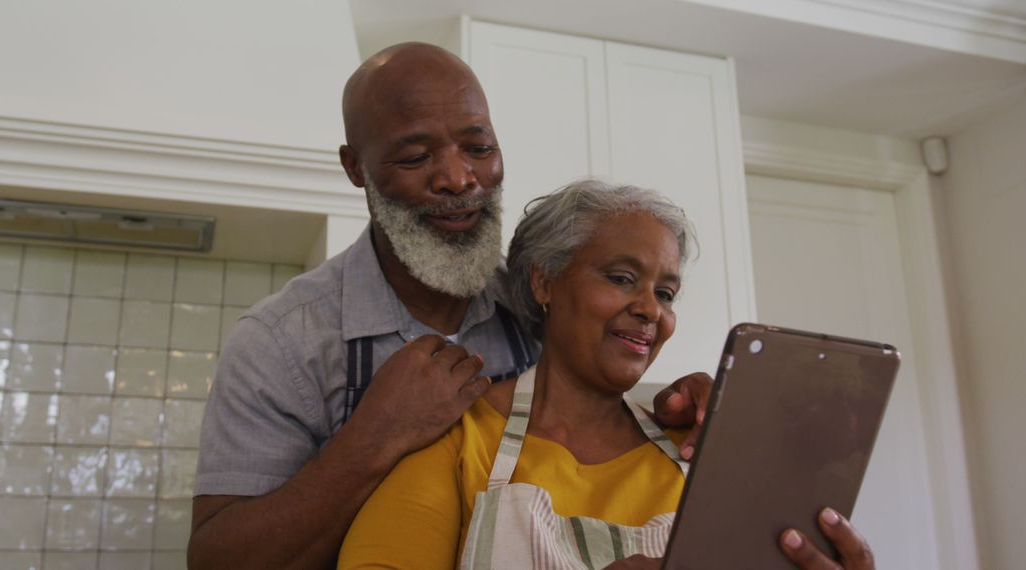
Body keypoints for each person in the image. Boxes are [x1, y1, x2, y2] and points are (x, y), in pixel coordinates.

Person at [187, 43, 711, 570]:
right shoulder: (281, 341)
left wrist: (685, 407)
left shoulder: (534, 301)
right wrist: (375, 438)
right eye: (416, 157)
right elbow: (217, 560)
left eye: (479, 148)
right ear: (355, 167)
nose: (459, 179)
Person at [338, 180, 876, 569]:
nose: (651, 310)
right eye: (622, 278)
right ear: (544, 282)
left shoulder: (695, 452)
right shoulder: (455, 439)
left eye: (665, 293)